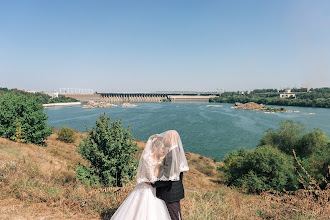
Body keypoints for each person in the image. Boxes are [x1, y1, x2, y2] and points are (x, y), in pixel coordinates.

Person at [111, 134, 171, 219]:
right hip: (147, 189)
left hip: (155, 189)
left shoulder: (158, 158)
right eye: (161, 148)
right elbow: (152, 180)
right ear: (155, 148)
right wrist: (157, 167)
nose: (163, 150)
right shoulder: (148, 159)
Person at [152, 130, 189, 220]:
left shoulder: (171, 155)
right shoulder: (177, 151)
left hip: (170, 192)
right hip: (175, 190)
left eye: (166, 137)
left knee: (174, 217)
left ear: (170, 138)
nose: (165, 139)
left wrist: (154, 184)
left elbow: (168, 178)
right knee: (176, 215)